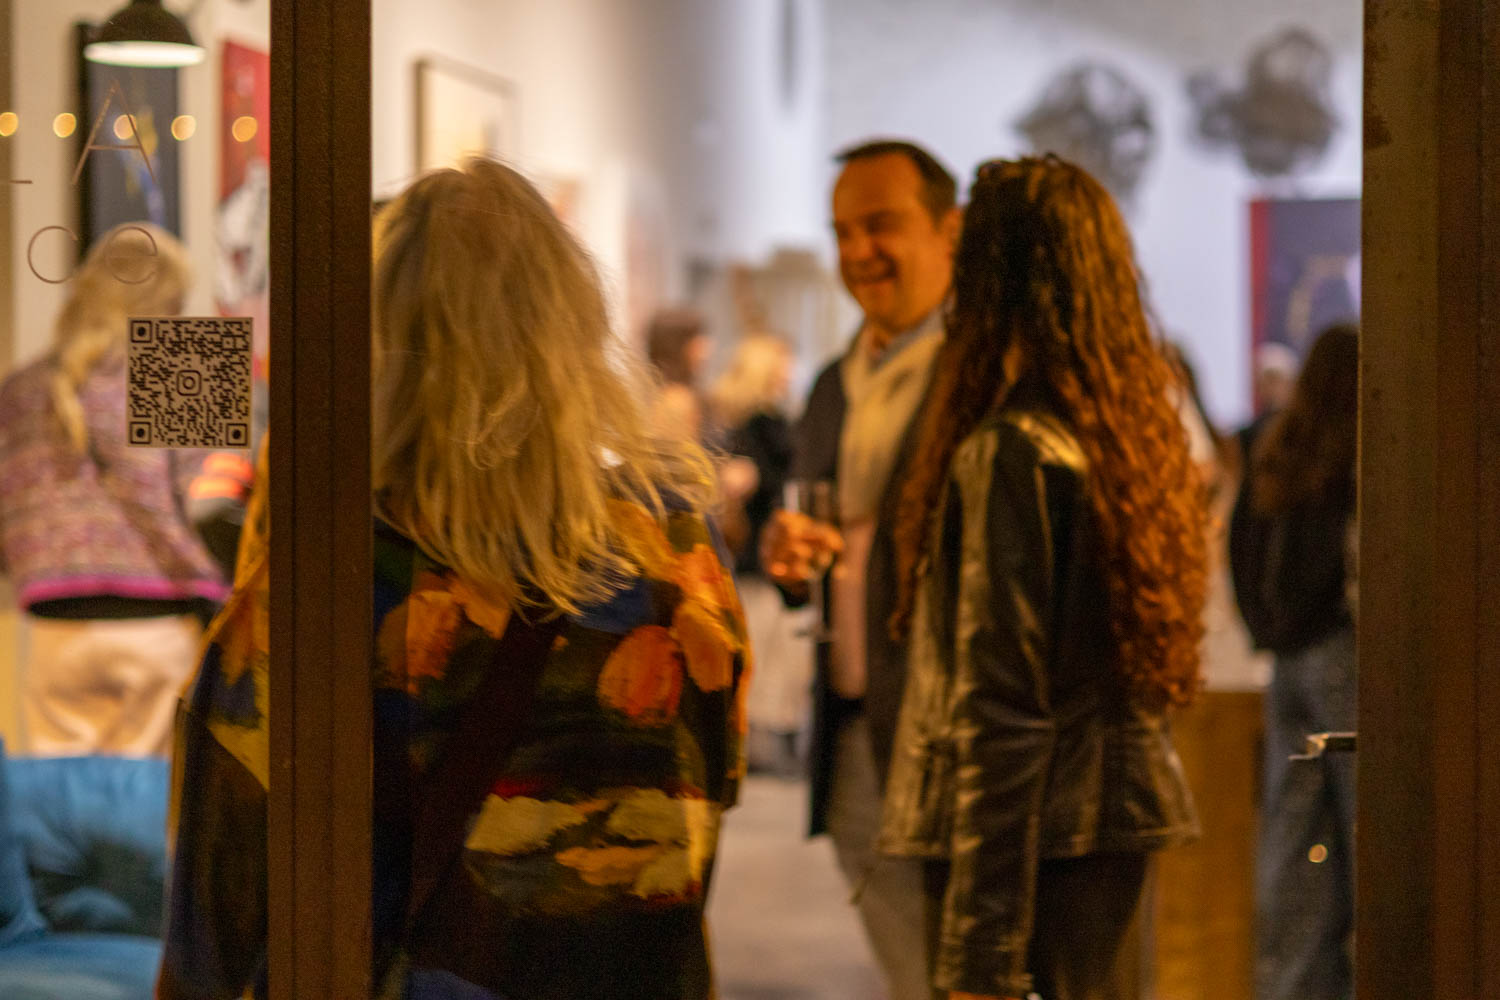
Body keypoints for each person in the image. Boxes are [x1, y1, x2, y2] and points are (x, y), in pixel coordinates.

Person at [158, 159, 751, 1000]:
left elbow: (219, 903)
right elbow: (713, 784)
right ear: (577, 325)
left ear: (376, 335)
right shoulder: (679, 548)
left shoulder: (329, 573)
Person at [878, 156, 1205, 1000]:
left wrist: (980, 955)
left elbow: (1003, 717)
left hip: (1028, 865)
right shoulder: (1118, 441)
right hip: (1098, 846)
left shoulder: (1013, 451)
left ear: (988, 277)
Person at [761, 138, 961, 1000]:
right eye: (842, 232)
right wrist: (787, 561)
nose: (858, 252)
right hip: (855, 734)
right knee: (912, 972)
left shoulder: (985, 372)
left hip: (959, 745)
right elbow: (820, 539)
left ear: (950, 229)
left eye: (881, 225)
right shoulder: (836, 384)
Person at [0, 223, 227, 757]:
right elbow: (212, 508)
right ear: (167, 301)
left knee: (62, 799)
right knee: (157, 796)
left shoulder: (23, 385)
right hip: (162, 622)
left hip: (54, 624)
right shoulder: (184, 369)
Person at [1228, 323, 1358, 1000]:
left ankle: (1293, 985)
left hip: (1287, 663)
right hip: (1342, 654)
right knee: (1366, 827)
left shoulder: (1280, 444)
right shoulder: (1355, 449)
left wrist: (1266, 628)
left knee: (1296, 834)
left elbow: (1240, 544)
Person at [709, 332, 806, 773]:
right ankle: (762, 744)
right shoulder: (762, 425)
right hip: (762, 556)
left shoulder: (739, 423)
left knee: (765, 652)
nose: (789, 371)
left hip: (753, 556)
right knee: (768, 654)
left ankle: (759, 742)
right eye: (783, 363)